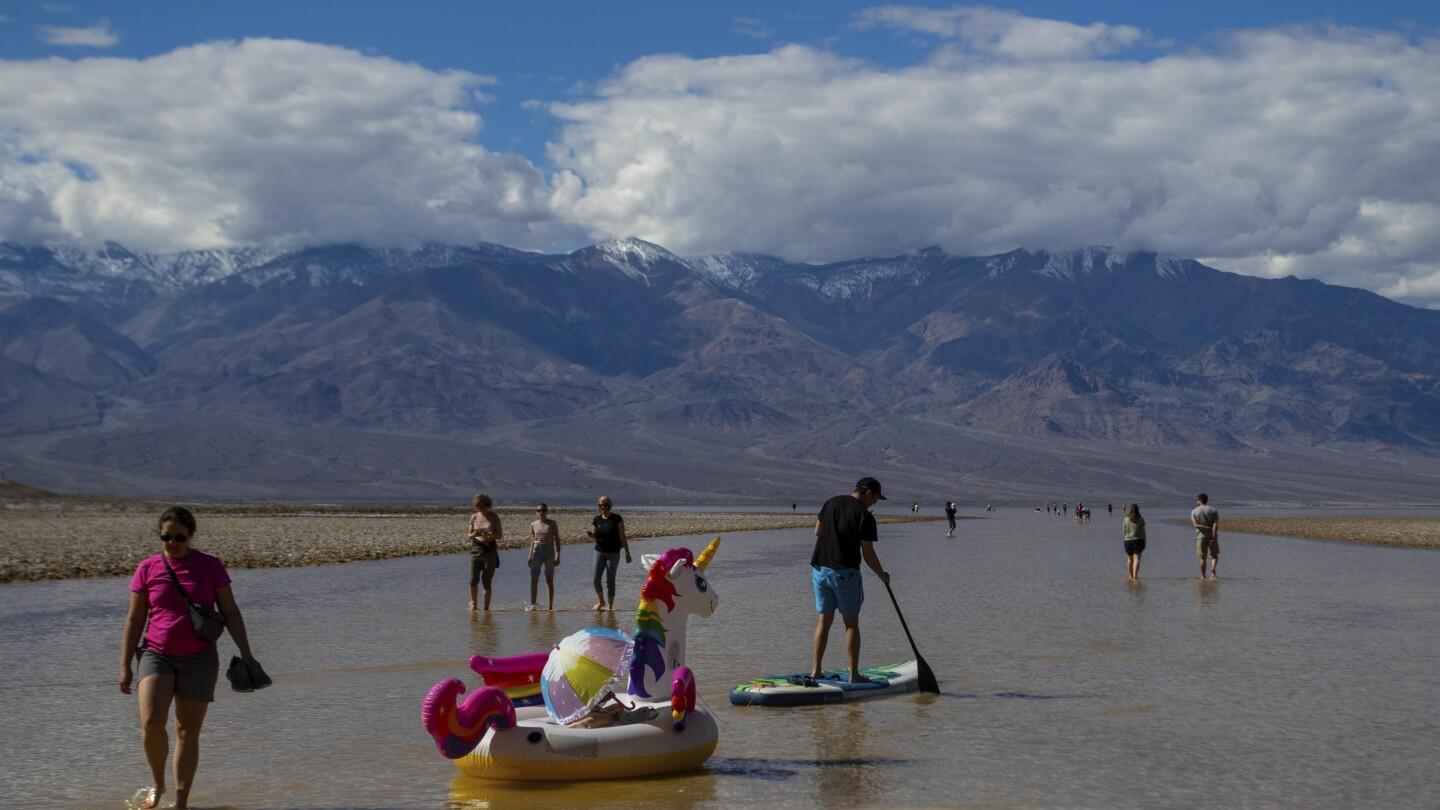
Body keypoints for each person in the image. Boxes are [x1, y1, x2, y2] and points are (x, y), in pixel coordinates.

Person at [119, 506, 259, 810]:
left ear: (190, 535)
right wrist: (125, 665)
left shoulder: (209, 565)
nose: (172, 542)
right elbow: (134, 620)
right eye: (166, 537)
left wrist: (246, 654)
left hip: (200, 659)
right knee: (151, 722)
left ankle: (181, 800)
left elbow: (230, 611)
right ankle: (158, 785)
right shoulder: (148, 568)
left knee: (186, 730)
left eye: (179, 537)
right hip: (156, 653)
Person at [810, 476, 891, 683]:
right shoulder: (864, 515)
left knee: (823, 622)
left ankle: (816, 671)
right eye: (876, 499)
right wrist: (882, 574)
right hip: (845, 574)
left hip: (820, 571)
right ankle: (854, 675)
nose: (875, 503)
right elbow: (868, 553)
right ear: (868, 493)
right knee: (851, 625)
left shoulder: (832, 502)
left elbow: (817, 531)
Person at [587, 496, 630, 610]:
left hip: (613, 553)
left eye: (604, 505)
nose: (602, 507)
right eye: (600, 505)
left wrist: (627, 552)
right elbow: (594, 535)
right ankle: (601, 602)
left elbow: (622, 536)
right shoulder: (596, 519)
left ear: (609, 506)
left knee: (610, 580)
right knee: (596, 579)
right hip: (599, 552)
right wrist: (592, 536)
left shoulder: (616, 519)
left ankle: (610, 607)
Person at [468, 492, 503, 611]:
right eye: (479, 506)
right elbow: (469, 535)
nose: (481, 508)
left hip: (490, 549)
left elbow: (499, 535)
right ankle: (474, 603)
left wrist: (489, 534)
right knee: (473, 580)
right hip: (477, 548)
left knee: (486, 581)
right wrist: (474, 534)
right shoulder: (474, 517)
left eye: (483, 506)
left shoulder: (494, 517)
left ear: (488, 505)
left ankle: (486, 608)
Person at [527, 503, 561, 611]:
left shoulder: (552, 524)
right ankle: (533, 605)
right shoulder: (533, 524)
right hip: (537, 551)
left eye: (543, 510)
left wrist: (558, 554)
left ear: (546, 511)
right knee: (534, 578)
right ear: (536, 512)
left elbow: (557, 540)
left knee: (549, 579)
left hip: (549, 551)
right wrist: (530, 555)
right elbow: (532, 541)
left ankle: (550, 607)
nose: (541, 512)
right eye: (539, 510)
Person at [1192, 493, 1220, 579]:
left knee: (1203, 557)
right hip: (1212, 536)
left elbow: (1196, 526)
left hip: (1201, 536)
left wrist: (1205, 527)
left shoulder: (1194, 511)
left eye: (1196, 499)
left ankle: (1203, 576)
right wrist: (1213, 535)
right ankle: (1213, 571)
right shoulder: (1213, 510)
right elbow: (1215, 524)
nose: (1195, 501)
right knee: (1214, 555)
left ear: (1200, 500)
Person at [1122, 503, 1147, 580]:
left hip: (1128, 541)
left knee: (1130, 558)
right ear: (1138, 510)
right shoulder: (1140, 519)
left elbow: (1124, 531)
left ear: (1130, 510)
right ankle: (1135, 576)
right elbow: (1143, 532)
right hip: (1138, 540)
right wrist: (1145, 542)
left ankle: (1130, 575)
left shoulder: (1126, 519)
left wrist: (1127, 537)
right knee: (1137, 558)